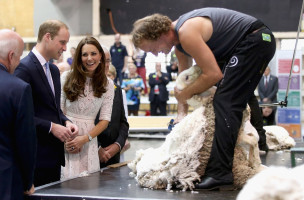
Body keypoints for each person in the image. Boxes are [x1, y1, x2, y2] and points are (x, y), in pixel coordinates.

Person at [131, 8, 276, 190]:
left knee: (226, 101)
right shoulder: (180, 45)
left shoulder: (186, 32)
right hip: (249, 42)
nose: (155, 54)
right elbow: (184, 82)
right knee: (233, 96)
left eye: (152, 49)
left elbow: (213, 74)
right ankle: (241, 154)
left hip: (256, 39)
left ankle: (220, 173)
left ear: (160, 34)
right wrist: (181, 114)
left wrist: (186, 94)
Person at [14, 20, 79, 187]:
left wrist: (65, 121)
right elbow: (19, 115)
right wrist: (51, 127)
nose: (65, 48)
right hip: (35, 155)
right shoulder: (24, 68)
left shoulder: (55, 70)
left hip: (54, 155)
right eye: (62, 42)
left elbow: (53, 108)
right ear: (47, 37)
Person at [60, 36, 114, 179]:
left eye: (93, 53)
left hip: (89, 140)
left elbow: (105, 119)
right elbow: (59, 111)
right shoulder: (66, 77)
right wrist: (67, 139)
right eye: (85, 54)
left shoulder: (108, 84)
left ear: (101, 56)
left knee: (88, 183)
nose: (89, 58)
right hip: (67, 137)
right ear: (79, 57)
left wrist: (84, 139)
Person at [0, 29, 36, 199]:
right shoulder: (19, 89)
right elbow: (26, 142)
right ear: (11, 55)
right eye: (20, 56)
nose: (19, 62)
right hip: (7, 181)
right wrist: (28, 181)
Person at [95, 49, 129, 167]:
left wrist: (118, 145)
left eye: (108, 60)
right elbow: (83, 124)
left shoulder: (116, 89)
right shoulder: (84, 88)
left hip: (113, 156)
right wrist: (98, 148)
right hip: (91, 154)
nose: (106, 64)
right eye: (102, 61)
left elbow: (123, 122)